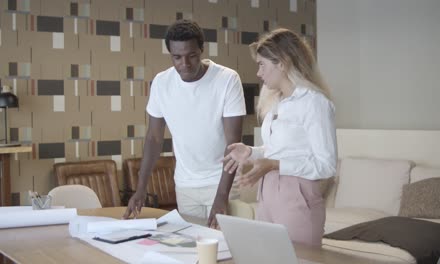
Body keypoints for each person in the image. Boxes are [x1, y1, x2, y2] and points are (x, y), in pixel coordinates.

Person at [123, 19, 246, 228]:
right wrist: (141, 188)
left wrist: (221, 196)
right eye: (177, 57)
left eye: (192, 56)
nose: (185, 64)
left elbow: (233, 143)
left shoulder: (227, 80)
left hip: (221, 182)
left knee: (227, 251)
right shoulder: (162, 83)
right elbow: (153, 138)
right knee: (193, 251)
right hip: (185, 185)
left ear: (202, 50)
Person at [223, 28, 337, 247]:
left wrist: (274, 164)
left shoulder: (315, 103)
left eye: (262, 65)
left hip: (298, 198)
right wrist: (251, 153)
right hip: (268, 196)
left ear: (282, 63)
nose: (258, 73)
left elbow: (326, 165)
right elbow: (280, 150)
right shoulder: (278, 103)